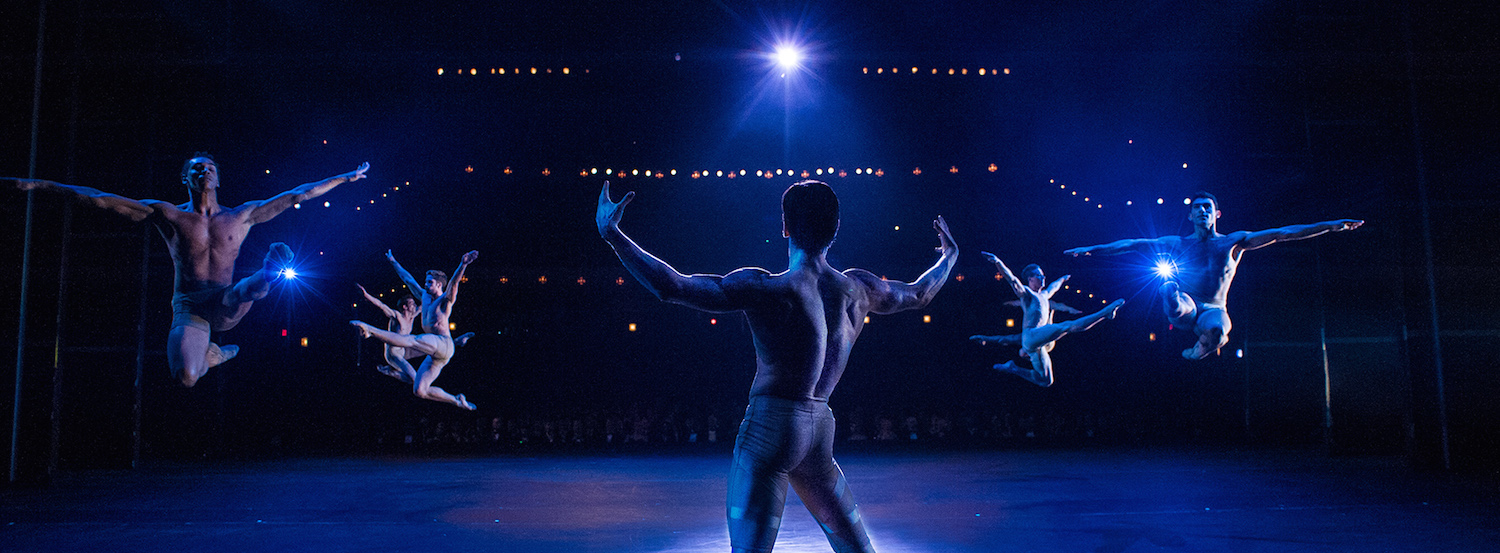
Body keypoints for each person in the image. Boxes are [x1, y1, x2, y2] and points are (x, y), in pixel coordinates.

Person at [597, 180, 958, 553]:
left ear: (784, 226)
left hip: (772, 429)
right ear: (836, 228)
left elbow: (672, 287)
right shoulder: (859, 289)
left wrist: (613, 235)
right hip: (819, 430)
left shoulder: (768, 288)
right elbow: (919, 293)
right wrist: (949, 256)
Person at [6, 155, 368, 386]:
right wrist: (41, 184)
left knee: (245, 289)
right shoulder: (168, 215)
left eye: (210, 166)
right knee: (187, 378)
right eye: (196, 167)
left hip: (225, 302)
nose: (204, 170)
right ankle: (215, 355)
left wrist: (346, 178)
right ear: (186, 178)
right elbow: (100, 199)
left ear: (218, 179)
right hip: (190, 307)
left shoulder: (240, 215)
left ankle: (271, 270)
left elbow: (297, 195)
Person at [1065, 191, 1363, 359]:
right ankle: (1173, 303)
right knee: (1168, 288)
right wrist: (1093, 249)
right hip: (1187, 305)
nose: (1203, 212)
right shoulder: (1178, 243)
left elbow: (1283, 234)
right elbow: (1132, 244)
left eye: (1208, 208)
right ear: (1190, 215)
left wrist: (1332, 225)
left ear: (1216, 214)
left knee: (1220, 332)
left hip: (1214, 309)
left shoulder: (1234, 242)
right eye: (1197, 208)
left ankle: (1201, 347)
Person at [967, 253, 1124, 387]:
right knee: (1066, 327)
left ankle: (1013, 368)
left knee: (1046, 380)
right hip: (1032, 335)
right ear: (1030, 279)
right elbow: (1013, 280)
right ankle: (1105, 313)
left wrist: (1062, 280)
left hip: (1039, 345)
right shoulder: (1027, 293)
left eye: (1043, 275)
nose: (1043, 277)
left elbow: (1053, 287)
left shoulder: (1044, 295)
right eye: (1039, 275)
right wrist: (998, 262)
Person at [351, 249, 478, 410]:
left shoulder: (444, 301)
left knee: (411, 340)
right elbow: (408, 279)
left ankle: (369, 330)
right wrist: (393, 261)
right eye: (426, 281)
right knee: (419, 390)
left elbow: (454, 284)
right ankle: (457, 401)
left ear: (439, 285)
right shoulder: (424, 296)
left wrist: (463, 264)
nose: (425, 284)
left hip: (443, 343)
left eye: (430, 282)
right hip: (436, 352)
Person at [355, 283, 474, 380]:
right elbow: (381, 305)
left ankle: (456, 342)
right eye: (411, 304)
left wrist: (436, 290)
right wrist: (366, 295)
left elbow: (425, 303)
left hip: (405, 350)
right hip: (393, 354)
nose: (414, 306)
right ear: (404, 307)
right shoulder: (397, 316)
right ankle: (389, 372)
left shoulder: (413, 315)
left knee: (432, 348)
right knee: (414, 379)